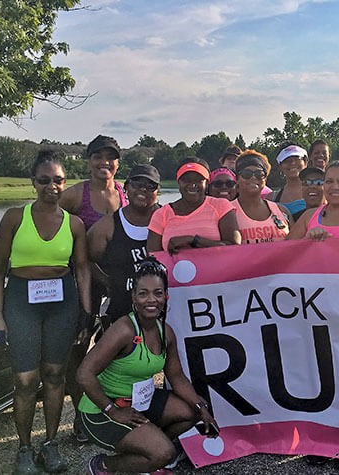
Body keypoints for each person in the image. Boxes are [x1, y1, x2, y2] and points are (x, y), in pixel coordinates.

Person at [0, 150, 91, 474]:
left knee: (55, 374)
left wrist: (87, 312)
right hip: (21, 300)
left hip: (61, 301)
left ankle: (50, 444)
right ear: (33, 182)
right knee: (24, 379)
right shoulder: (14, 218)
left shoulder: (74, 224)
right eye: (44, 180)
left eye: (58, 180)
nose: (52, 186)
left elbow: (83, 269)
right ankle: (24, 448)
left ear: (65, 183)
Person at [77, 259, 220, 475]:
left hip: (140, 403)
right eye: (143, 293)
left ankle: (146, 454)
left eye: (157, 293)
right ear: (133, 297)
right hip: (102, 411)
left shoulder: (166, 332)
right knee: (164, 453)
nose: (151, 300)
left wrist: (202, 409)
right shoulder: (124, 330)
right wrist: (113, 411)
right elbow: (84, 374)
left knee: (190, 411)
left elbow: (177, 376)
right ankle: (105, 465)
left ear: (166, 296)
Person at [59, 134, 128, 442]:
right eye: (98, 156)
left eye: (110, 157)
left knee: (114, 350)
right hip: (82, 284)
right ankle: (79, 418)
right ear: (88, 161)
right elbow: (48, 223)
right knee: (77, 349)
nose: (104, 162)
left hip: (117, 286)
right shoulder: (75, 196)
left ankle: (110, 410)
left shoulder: (125, 194)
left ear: (117, 162)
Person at [87, 164, 161, 335]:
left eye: (150, 186)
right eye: (136, 183)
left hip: (164, 310)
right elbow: (86, 259)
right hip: (123, 310)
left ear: (158, 191)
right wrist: (108, 282)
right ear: (126, 187)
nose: (143, 189)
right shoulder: (107, 225)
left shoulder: (170, 219)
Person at [147, 157, 241, 254]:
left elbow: (233, 247)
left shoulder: (221, 206)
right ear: (178, 182)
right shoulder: (161, 214)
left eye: (199, 180)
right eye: (186, 180)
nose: (192, 185)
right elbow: (153, 256)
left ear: (207, 183)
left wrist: (194, 241)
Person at [232, 150, 293, 244]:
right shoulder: (227, 212)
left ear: (265, 179)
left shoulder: (282, 211)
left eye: (259, 174)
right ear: (237, 178)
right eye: (246, 174)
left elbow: (296, 244)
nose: (253, 178)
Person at [271, 144, 308, 216]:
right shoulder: (271, 198)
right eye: (286, 160)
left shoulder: (320, 193)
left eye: (297, 158)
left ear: (305, 163)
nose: (292, 163)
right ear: (280, 166)